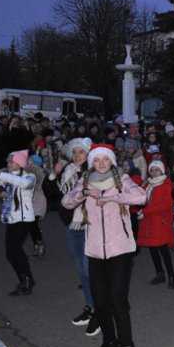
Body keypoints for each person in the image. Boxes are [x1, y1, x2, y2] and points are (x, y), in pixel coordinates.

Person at [61, 144, 147, 347]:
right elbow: (66, 202)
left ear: (111, 161)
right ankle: (110, 344)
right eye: (96, 160)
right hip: (95, 250)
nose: (100, 163)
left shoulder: (122, 179)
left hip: (121, 250)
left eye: (104, 159)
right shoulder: (85, 180)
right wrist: (84, 193)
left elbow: (142, 196)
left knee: (118, 301)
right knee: (101, 301)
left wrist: (110, 196)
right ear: (91, 162)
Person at [51, 137, 98, 334]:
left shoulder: (95, 171)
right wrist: (55, 173)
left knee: (90, 271)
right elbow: (63, 195)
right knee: (81, 271)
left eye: (82, 152)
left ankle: (99, 310)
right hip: (72, 225)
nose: (78, 155)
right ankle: (90, 307)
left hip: (90, 225)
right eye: (75, 152)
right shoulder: (69, 169)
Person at [0, 149, 38, 295]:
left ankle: (27, 279)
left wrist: (1, 176)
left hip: (25, 218)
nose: (8, 163)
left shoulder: (29, 176)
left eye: (11, 161)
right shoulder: (6, 176)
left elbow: (25, 184)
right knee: (10, 252)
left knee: (15, 249)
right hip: (11, 218)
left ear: (20, 163)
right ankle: (24, 279)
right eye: (7, 161)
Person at [137, 160, 174, 288]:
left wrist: (146, 211)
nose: (154, 172)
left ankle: (171, 277)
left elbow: (167, 205)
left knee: (163, 250)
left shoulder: (167, 185)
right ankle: (160, 274)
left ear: (162, 171)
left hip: (160, 222)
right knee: (153, 249)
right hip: (148, 221)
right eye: (152, 170)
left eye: (157, 170)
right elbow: (141, 200)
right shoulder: (147, 185)